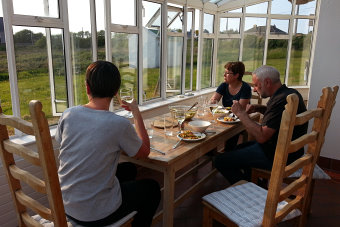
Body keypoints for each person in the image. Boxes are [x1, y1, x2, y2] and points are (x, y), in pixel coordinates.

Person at [55, 61, 160, 227]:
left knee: (129, 169)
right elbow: (144, 152)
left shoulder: (68, 114)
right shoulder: (118, 124)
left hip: (65, 204)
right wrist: (136, 112)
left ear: (87, 88)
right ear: (116, 91)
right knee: (152, 189)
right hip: (93, 215)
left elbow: (63, 144)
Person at [214, 65, 308, 185]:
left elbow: (262, 137)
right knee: (238, 149)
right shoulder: (289, 94)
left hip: (279, 156)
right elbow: (279, 118)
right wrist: (261, 108)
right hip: (290, 150)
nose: (254, 89)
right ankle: (256, 182)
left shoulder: (280, 100)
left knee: (220, 160)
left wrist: (241, 113)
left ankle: (252, 189)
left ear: (267, 82)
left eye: (257, 85)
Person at [209, 61, 252, 151]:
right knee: (210, 128)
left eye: (227, 73)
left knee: (231, 134)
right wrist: (212, 101)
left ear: (236, 75)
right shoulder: (223, 85)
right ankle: (211, 153)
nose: (224, 75)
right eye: (224, 72)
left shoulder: (245, 88)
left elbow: (240, 109)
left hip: (240, 118)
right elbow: (213, 101)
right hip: (225, 117)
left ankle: (228, 154)